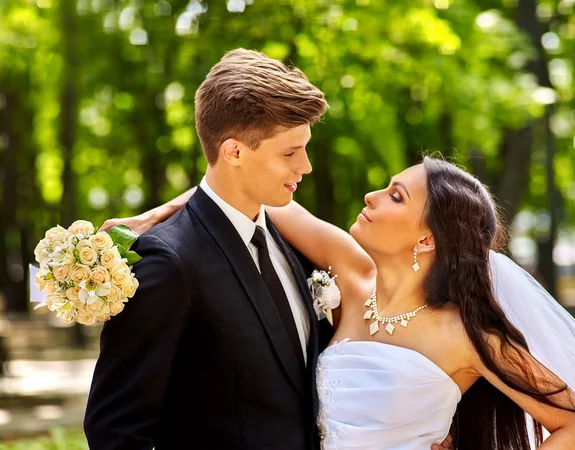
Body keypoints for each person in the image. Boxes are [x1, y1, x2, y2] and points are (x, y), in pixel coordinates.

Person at [84, 47, 454, 450]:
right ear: (235, 152)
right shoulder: (168, 264)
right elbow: (116, 433)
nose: (306, 166)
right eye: (290, 153)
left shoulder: (293, 242)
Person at [124, 157, 575, 449]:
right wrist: (160, 214)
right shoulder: (350, 277)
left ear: (427, 238)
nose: (371, 196)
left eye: (395, 196)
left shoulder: (463, 334)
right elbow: (247, 192)